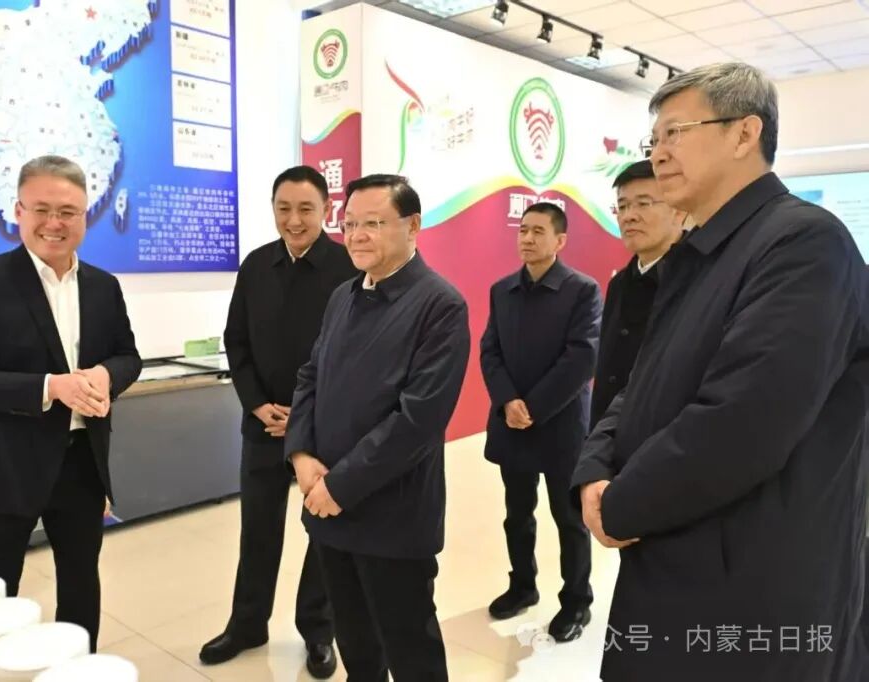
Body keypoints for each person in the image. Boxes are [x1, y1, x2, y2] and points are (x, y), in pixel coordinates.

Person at [572, 62, 869, 681]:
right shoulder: (702, 253)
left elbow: (741, 423)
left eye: (676, 133)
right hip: (675, 551)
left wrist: (620, 504)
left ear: (744, 133)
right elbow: (641, 383)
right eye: (654, 138)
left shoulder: (804, 244)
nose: (658, 153)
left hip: (750, 580)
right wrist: (594, 467)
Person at [0, 155, 141, 652]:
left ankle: (77, 664)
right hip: (4, 464)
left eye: (68, 212)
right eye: (42, 209)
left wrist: (105, 375)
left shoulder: (103, 286)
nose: (55, 223)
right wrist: (51, 387)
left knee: (81, 582)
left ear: (85, 215)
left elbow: (128, 356)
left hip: (81, 464)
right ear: (18, 211)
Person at [284, 174, 470, 681]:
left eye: (373, 223)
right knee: (356, 643)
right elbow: (310, 376)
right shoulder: (343, 296)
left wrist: (339, 486)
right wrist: (301, 456)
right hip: (328, 507)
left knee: (411, 650)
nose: (357, 235)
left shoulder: (440, 305)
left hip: (394, 515)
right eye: (349, 224)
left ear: (413, 226)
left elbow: (418, 419)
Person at [199, 166, 356, 677]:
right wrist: (255, 403)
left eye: (306, 209)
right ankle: (248, 624)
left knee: (324, 531)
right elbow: (236, 340)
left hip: (324, 430)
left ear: (327, 209)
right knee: (258, 531)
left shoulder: (349, 269)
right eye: (284, 208)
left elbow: (353, 357)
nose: (294, 220)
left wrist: (304, 417)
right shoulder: (256, 266)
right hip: (264, 425)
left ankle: (318, 630)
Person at [480, 202, 601, 642]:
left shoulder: (581, 290)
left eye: (538, 231)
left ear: (560, 240)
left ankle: (577, 601)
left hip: (560, 425)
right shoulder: (503, 290)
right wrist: (508, 400)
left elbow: (581, 357)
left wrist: (533, 407)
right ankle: (523, 586)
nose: (527, 238)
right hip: (512, 423)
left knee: (569, 518)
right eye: (523, 230)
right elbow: (490, 350)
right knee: (517, 514)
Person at [591, 160, 686, 428]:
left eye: (643, 204)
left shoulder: (700, 277)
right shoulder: (619, 283)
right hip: (606, 435)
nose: (629, 216)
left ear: (678, 210)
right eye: (622, 206)